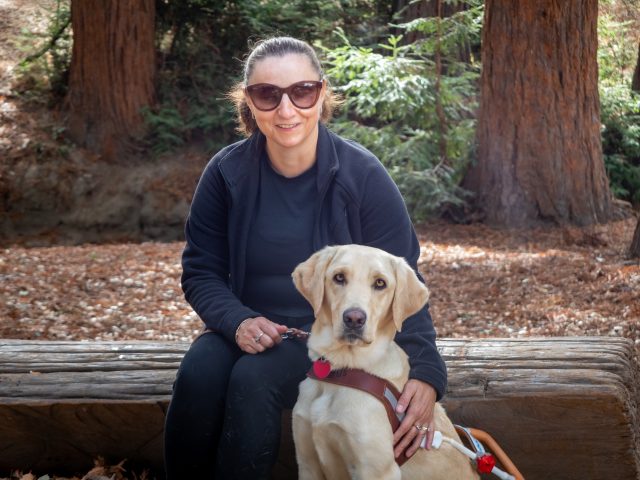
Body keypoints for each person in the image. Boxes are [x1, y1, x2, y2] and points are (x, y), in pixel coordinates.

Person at [163, 36, 447, 479]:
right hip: (244, 324)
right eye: (267, 94)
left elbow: (400, 276)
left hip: (327, 339)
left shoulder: (364, 176)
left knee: (252, 381)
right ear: (249, 103)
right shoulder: (226, 173)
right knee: (199, 374)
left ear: (321, 94)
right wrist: (237, 321)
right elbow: (201, 271)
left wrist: (427, 371)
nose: (286, 109)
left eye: (302, 91)